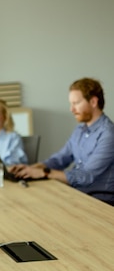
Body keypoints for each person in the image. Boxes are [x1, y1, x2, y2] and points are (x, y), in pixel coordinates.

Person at [10, 77, 114, 205]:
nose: (72, 109)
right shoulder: (80, 129)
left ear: (93, 102)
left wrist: (44, 173)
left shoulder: (108, 134)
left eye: (76, 103)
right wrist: (31, 169)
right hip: (78, 195)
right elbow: (60, 159)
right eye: (71, 104)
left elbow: (86, 176)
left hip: (100, 202)